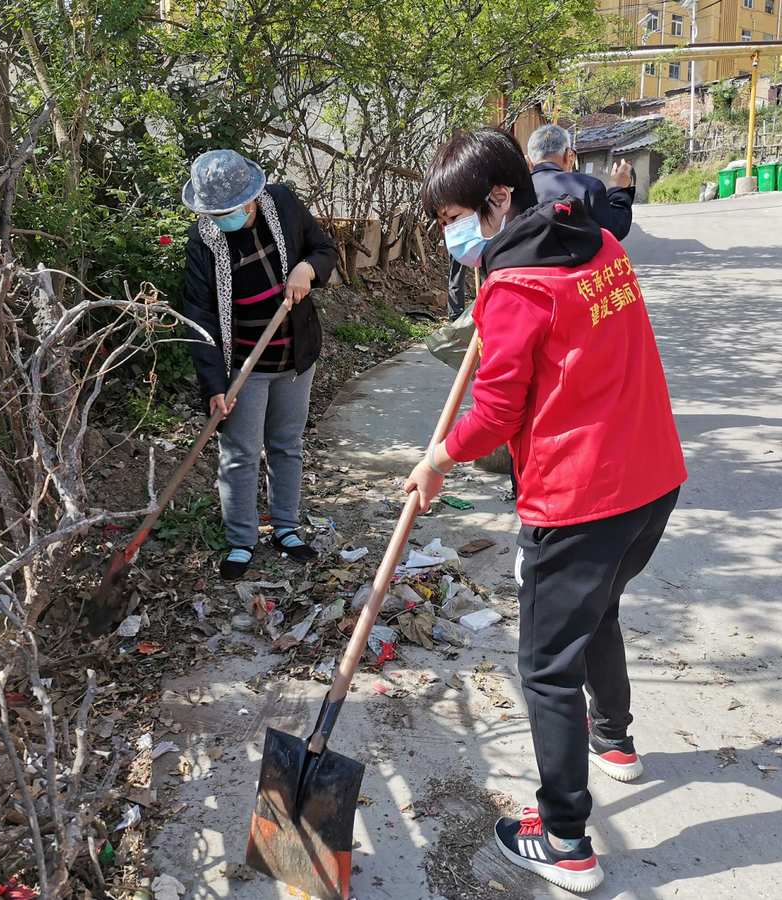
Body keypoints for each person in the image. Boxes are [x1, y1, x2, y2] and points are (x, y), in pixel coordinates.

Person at [406, 128, 686, 893]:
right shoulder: (597, 248)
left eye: (455, 215)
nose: (448, 233)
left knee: (545, 667)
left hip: (580, 499)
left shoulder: (516, 288)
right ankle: (616, 743)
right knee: (597, 614)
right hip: (652, 478)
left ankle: (565, 840)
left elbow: (494, 414)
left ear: (501, 198)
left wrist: (438, 459)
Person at [181, 150, 338, 581]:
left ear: (251, 199)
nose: (221, 219)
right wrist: (214, 382)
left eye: (229, 210)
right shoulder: (204, 242)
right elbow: (200, 315)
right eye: (214, 213)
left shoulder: (283, 204)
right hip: (242, 366)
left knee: (286, 444)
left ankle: (286, 528)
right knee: (239, 453)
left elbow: (325, 248)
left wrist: (308, 268)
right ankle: (241, 540)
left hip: (293, 355)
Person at [526, 124, 635, 241]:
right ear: (569, 155)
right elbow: (614, 231)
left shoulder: (514, 194)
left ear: (529, 162)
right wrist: (618, 189)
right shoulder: (589, 187)